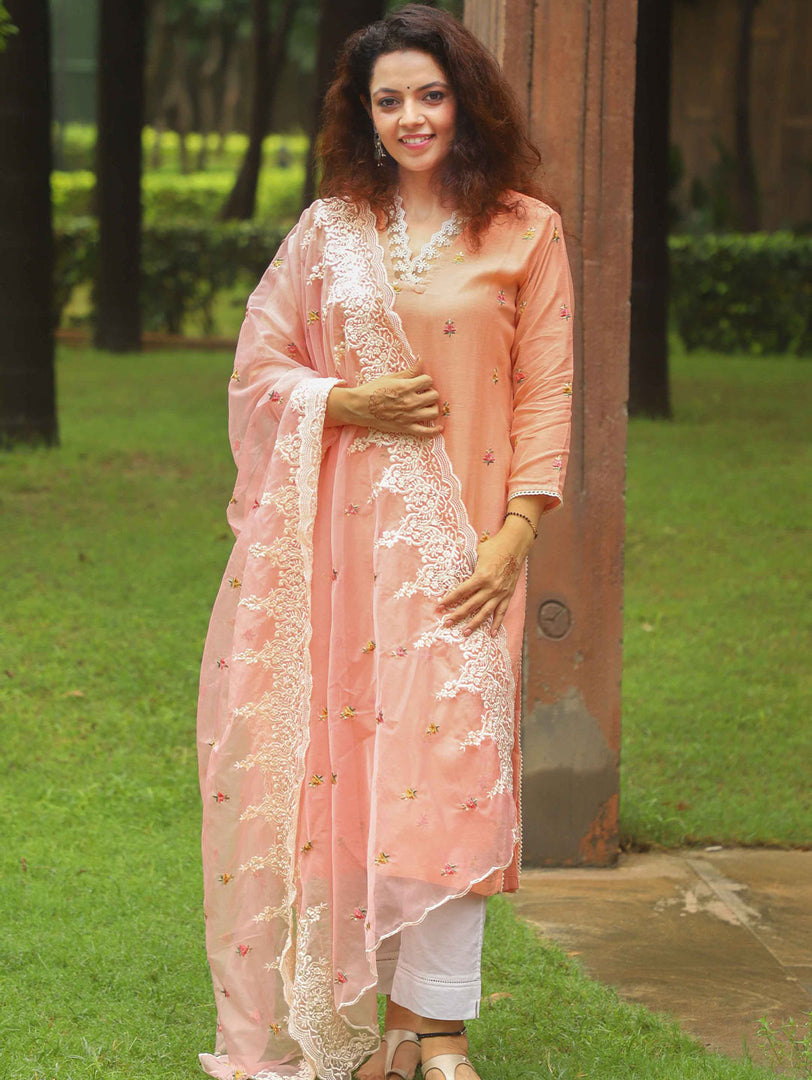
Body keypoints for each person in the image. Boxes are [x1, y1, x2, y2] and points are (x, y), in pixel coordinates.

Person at [196, 6, 573, 1080]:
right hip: (340, 548)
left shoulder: (525, 229)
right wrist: (344, 400)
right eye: (389, 100)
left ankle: (435, 1027)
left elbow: (545, 391)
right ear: (363, 116)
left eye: (430, 95)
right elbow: (259, 370)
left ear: (467, 101)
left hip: (465, 550)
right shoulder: (330, 232)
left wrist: (515, 535)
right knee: (356, 768)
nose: (412, 117)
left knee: (449, 771)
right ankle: (384, 1034)